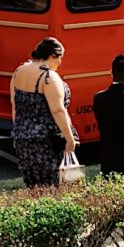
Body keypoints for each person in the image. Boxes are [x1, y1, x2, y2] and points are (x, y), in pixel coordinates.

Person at [9, 37, 78, 187]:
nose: (61, 63)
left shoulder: (19, 71)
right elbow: (58, 110)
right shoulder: (48, 77)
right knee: (54, 187)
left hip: (23, 140)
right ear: (54, 55)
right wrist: (70, 138)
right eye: (61, 58)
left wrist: (17, 132)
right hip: (47, 141)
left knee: (34, 187)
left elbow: (15, 106)